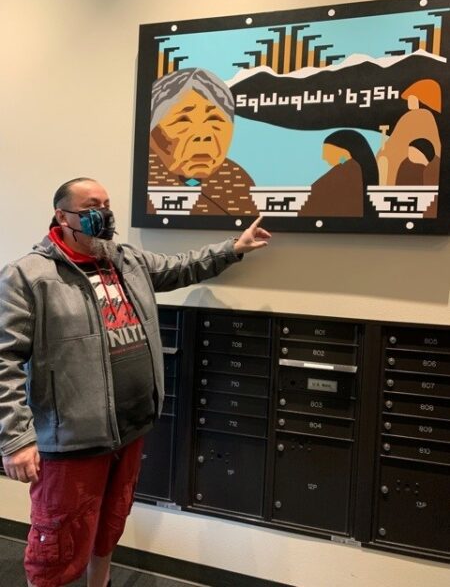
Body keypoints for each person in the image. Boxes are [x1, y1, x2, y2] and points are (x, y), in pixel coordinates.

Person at [0, 177, 271, 587]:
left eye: (107, 204)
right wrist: (16, 438)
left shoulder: (124, 260)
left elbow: (180, 267)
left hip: (130, 426)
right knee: (57, 537)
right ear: (62, 215)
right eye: (92, 205)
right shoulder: (28, 275)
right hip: (73, 438)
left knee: (111, 519)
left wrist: (233, 248)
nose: (103, 214)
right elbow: (4, 358)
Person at [148, 68, 258, 216]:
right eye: (183, 120)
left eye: (214, 119)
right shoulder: (147, 185)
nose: (202, 134)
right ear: (152, 132)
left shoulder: (236, 179)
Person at [299, 129, 378, 217]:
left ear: (345, 152)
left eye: (328, 152)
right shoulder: (347, 169)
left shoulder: (349, 169)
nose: (323, 157)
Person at [377, 78, 441, 186]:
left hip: (417, 149)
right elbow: (396, 137)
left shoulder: (424, 116)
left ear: (420, 100)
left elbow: (426, 140)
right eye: (409, 100)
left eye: (412, 99)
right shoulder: (408, 116)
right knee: (383, 157)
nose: (409, 103)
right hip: (401, 149)